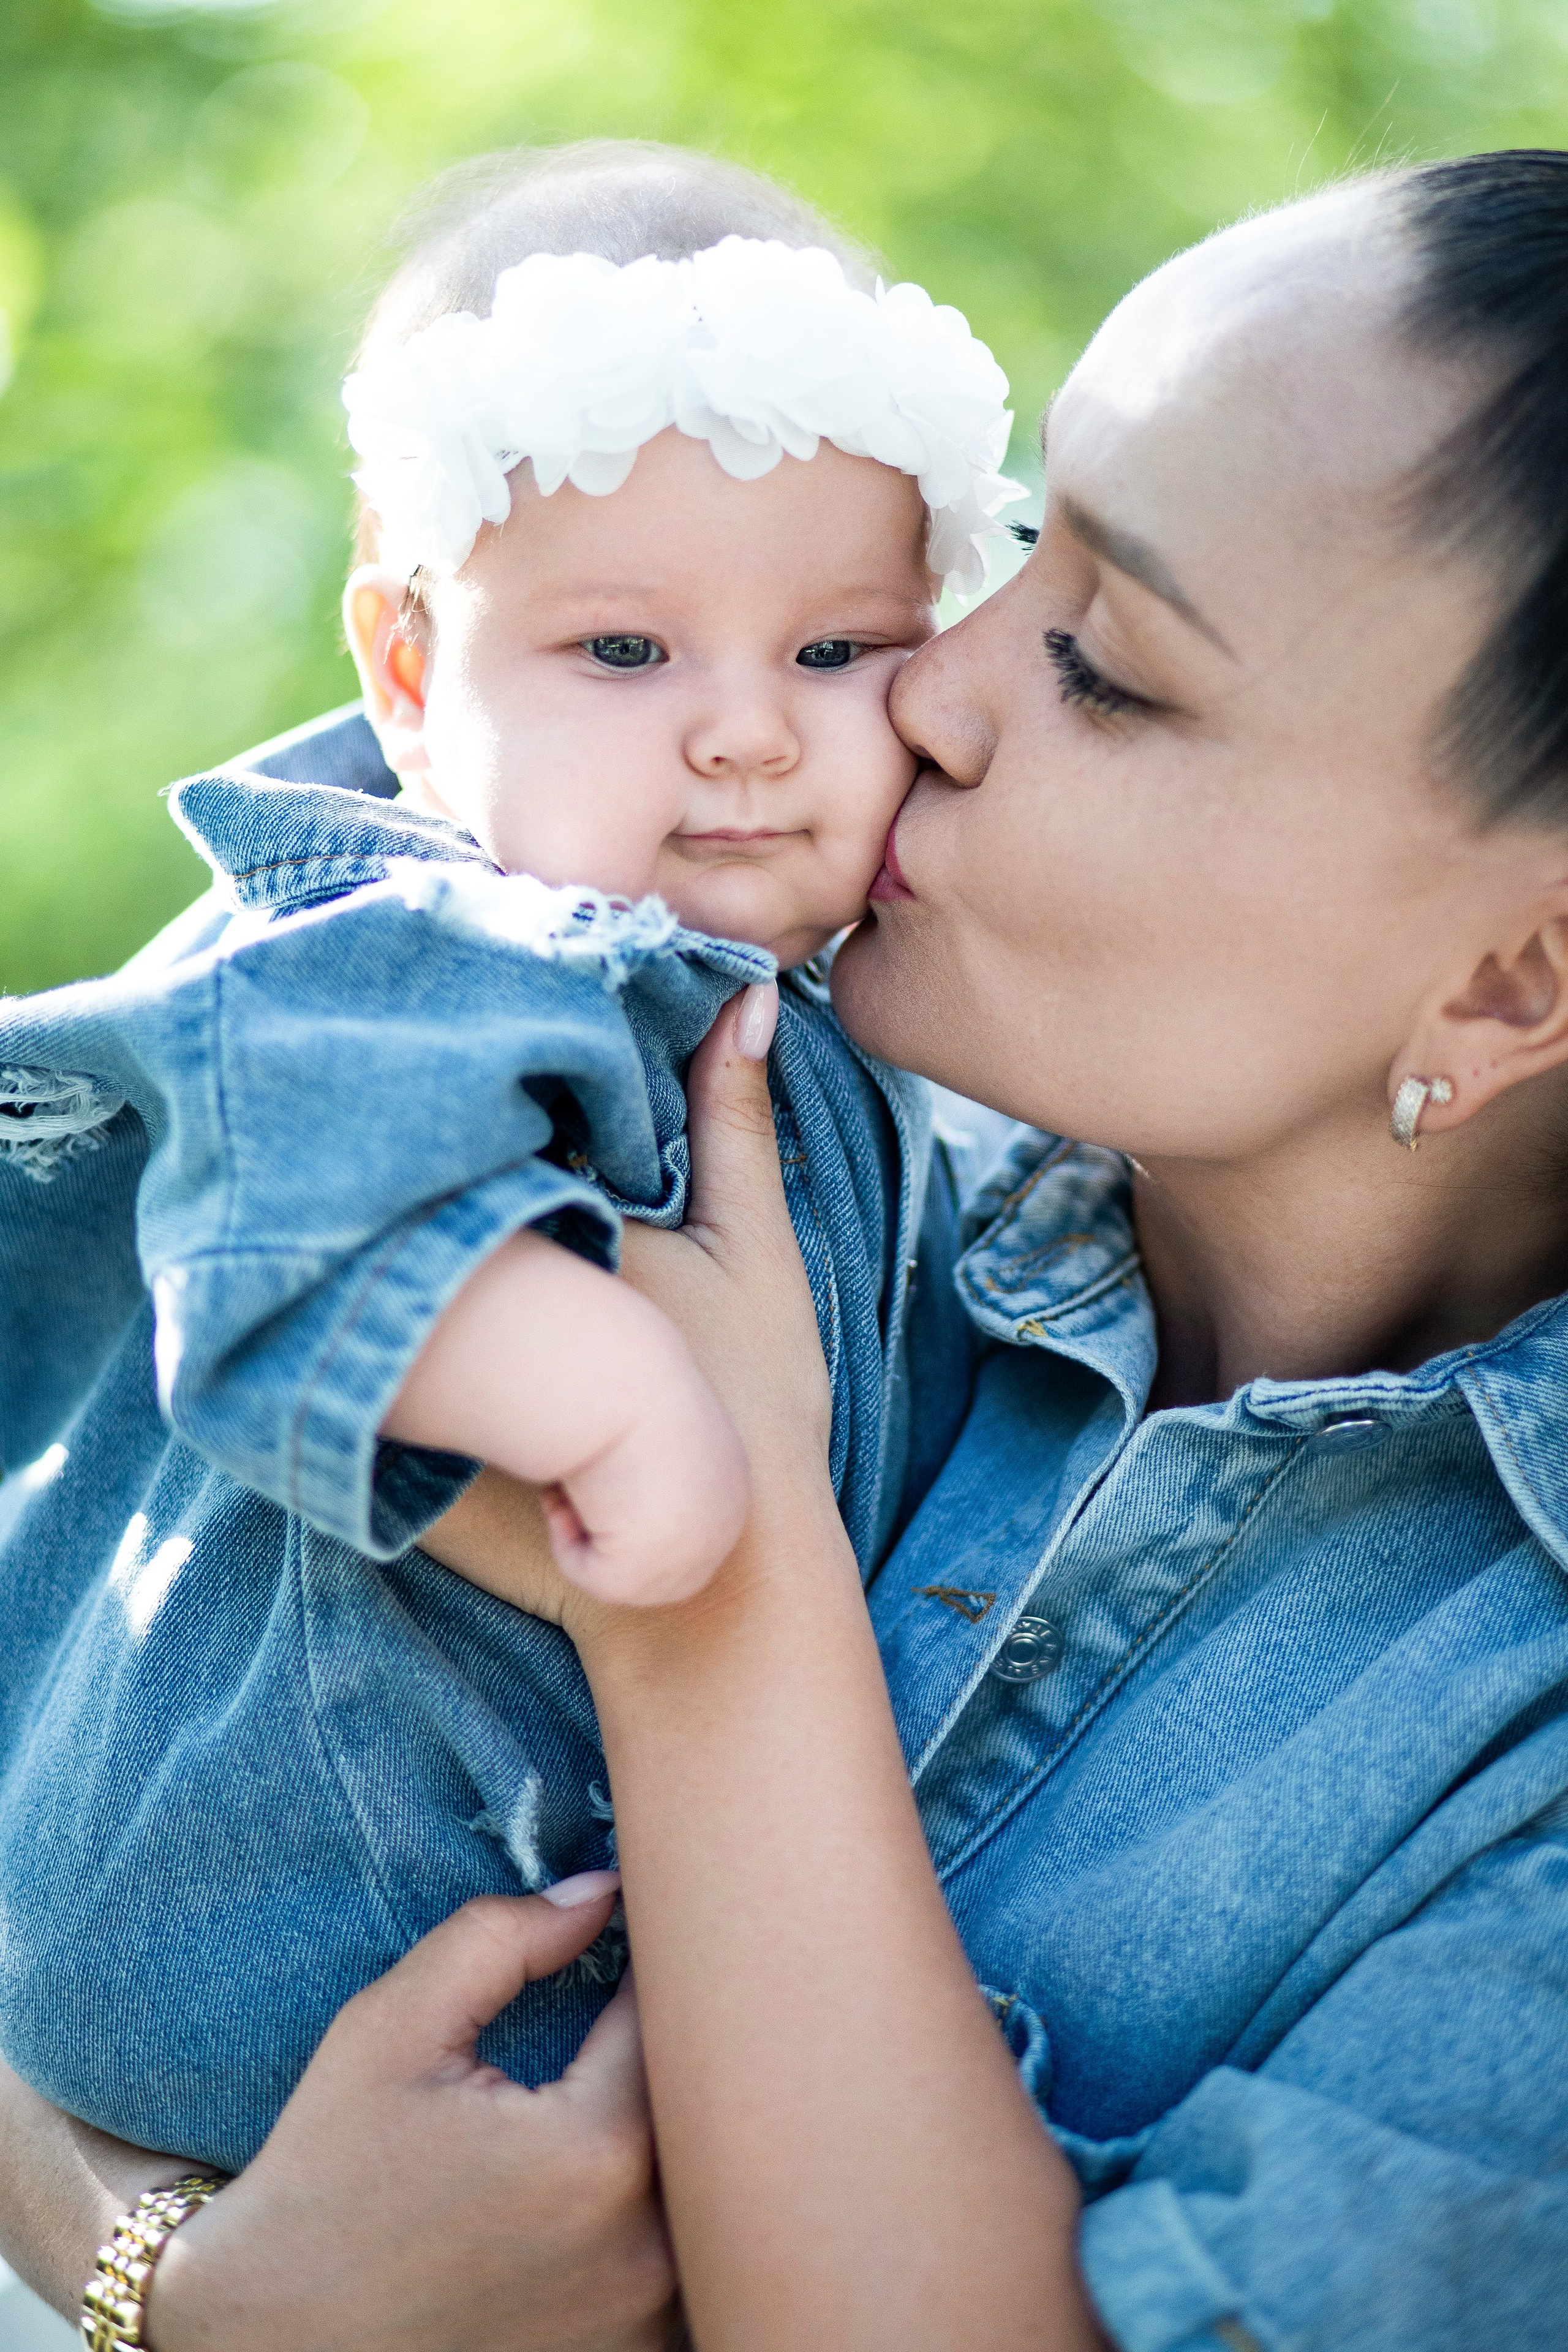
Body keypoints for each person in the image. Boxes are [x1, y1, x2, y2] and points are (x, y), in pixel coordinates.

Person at [7, 144, 1568, 2349]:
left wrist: (711, 1599)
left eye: (1105, 665)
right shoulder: (671, 1036)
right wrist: (163, 2278)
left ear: (1512, 982)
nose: (921, 694)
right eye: (1015, 557)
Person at [0, 140, 1020, 2171]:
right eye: (627, 654)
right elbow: (291, 1227)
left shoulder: (796, 984)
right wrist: (613, 1392)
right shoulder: (431, 944)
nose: (747, 733)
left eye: (836, 651)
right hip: (288, 1931)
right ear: (406, 672)